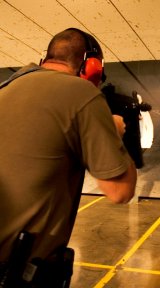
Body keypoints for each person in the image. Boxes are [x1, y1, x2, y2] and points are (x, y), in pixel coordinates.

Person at [0, 28, 137, 287]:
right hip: (17, 273)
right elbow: (120, 190)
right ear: (92, 66)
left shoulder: (5, 88)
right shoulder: (82, 93)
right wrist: (112, 132)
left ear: (44, 59)